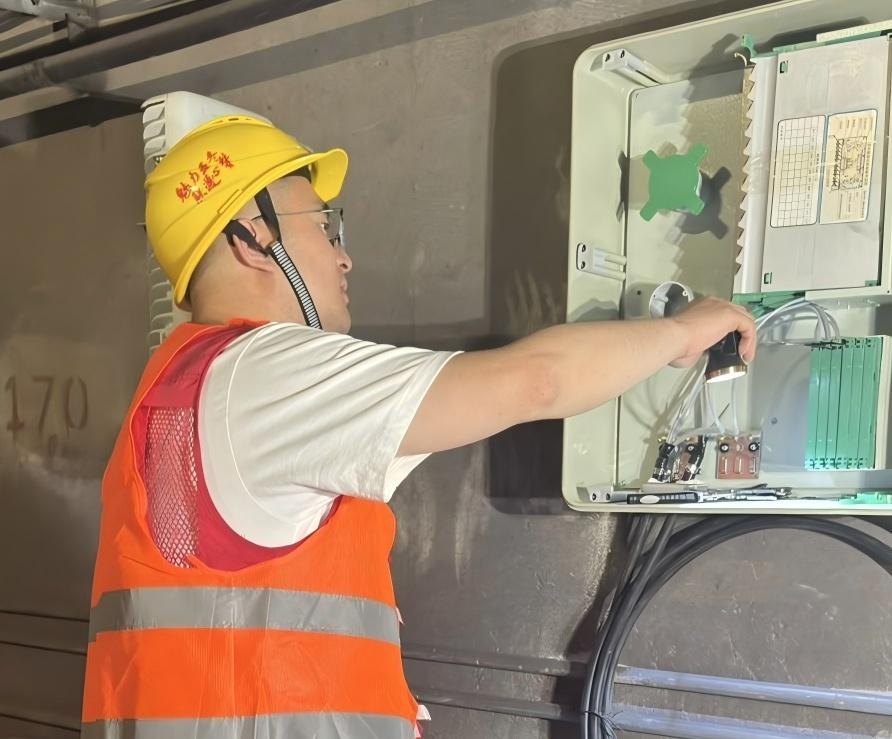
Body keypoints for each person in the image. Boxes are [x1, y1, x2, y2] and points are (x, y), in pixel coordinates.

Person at [81, 115, 756, 739]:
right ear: (253, 239)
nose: (343, 257)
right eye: (325, 227)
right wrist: (682, 333)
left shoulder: (173, 390)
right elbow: (537, 381)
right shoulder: (264, 377)